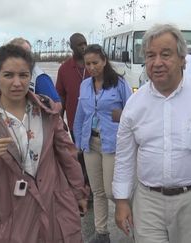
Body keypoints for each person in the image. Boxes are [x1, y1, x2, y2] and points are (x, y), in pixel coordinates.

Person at [112, 24, 191, 243]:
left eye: (166, 54)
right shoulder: (135, 104)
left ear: (183, 59)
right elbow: (124, 155)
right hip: (148, 201)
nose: (157, 62)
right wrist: (122, 200)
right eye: (150, 55)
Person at [0, 44, 88, 243]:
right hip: (11, 215)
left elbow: (68, 155)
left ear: (31, 76)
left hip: (53, 206)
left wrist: (79, 192)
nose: (17, 83)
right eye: (8, 75)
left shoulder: (47, 111)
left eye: (23, 75)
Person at [73, 44, 132, 243]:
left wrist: (120, 115)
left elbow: (132, 113)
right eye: (88, 64)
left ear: (104, 61)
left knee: (110, 190)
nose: (91, 67)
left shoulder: (120, 84)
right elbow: (80, 115)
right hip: (90, 142)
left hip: (113, 144)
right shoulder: (85, 85)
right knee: (97, 191)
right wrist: (78, 141)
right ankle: (101, 233)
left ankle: (134, 219)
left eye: (95, 63)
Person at [56, 33, 90, 136]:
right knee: (78, 151)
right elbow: (61, 97)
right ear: (71, 47)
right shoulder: (64, 69)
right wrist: (60, 120)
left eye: (85, 44)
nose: (84, 47)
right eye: (80, 45)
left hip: (95, 123)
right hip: (74, 123)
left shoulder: (94, 66)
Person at [9, 37, 61, 104]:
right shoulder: (3, 75)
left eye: (28, 53)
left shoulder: (40, 78)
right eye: (20, 53)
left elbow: (56, 105)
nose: (26, 56)